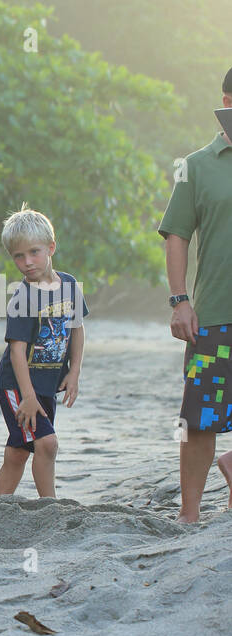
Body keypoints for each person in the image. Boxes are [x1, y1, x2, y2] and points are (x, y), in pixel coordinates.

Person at [159, 66, 232, 523]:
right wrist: (179, 300)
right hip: (216, 316)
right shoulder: (198, 166)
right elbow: (177, 236)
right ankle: (189, 514)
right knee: (200, 417)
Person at [0, 206, 87, 498]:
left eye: (34, 252)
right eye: (18, 256)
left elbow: (77, 329)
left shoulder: (69, 286)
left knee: (20, 449)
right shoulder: (23, 297)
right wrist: (28, 397)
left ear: (51, 247)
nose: (27, 262)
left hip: (47, 384)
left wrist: (74, 372)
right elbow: (17, 352)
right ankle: (51, 507)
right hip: (18, 386)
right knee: (47, 444)